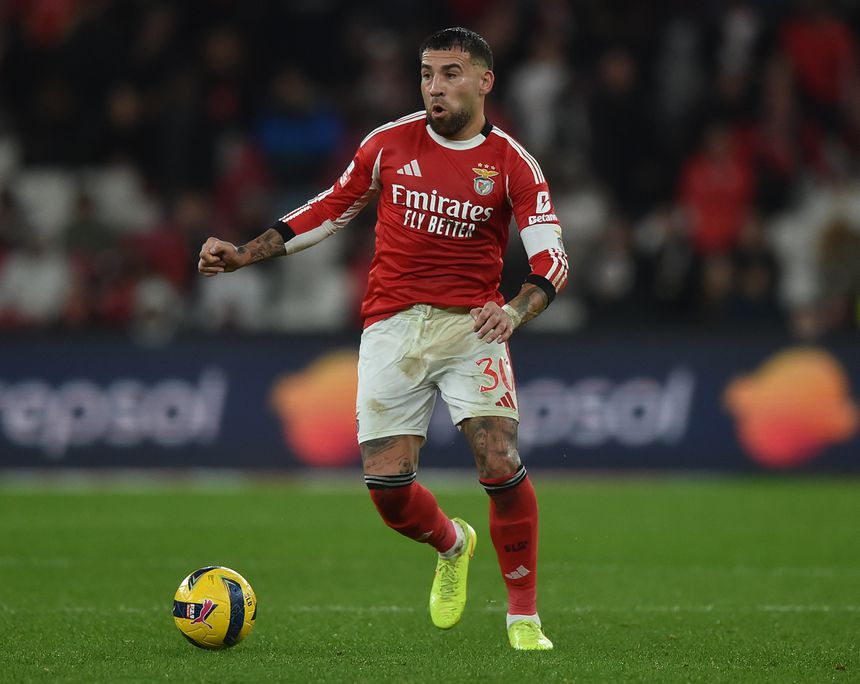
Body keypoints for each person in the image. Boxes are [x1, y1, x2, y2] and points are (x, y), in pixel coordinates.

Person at [198, 27, 568, 650]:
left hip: (472, 326)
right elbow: (329, 208)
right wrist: (245, 253)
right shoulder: (387, 144)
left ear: (484, 81)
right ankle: (454, 545)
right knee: (389, 493)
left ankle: (523, 616)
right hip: (391, 326)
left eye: (450, 74)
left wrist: (514, 312)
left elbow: (551, 259)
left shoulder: (512, 163)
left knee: (498, 459)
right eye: (426, 74)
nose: (434, 87)